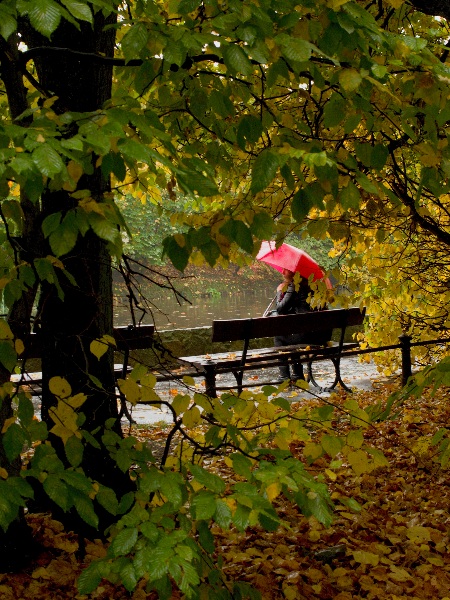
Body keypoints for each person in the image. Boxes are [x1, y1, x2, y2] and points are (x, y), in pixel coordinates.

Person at [273, 268, 312, 383]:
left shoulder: (294, 286)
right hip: (320, 336)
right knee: (294, 335)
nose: (282, 272)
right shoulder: (314, 286)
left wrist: (279, 291)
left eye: (286, 270)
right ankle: (297, 375)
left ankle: (284, 376)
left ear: (294, 273)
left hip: (305, 337)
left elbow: (280, 309)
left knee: (279, 337)